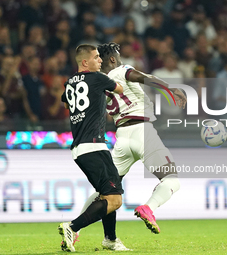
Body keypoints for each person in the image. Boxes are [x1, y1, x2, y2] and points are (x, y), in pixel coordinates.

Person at [79, 42, 186, 250]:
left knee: (106, 191)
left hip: (122, 136)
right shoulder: (121, 70)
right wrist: (170, 87)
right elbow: (145, 78)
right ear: (112, 59)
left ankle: (75, 228)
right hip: (142, 130)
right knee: (171, 179)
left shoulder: (101, 83)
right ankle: (148, 207)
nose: (121, 58)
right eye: (118, 55)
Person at [58, 44, 125, 252]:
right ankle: (72, 227)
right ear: (84, 62)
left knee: (106, 194)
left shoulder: (69, 83)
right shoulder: (97, 78)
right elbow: (120, 89)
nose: (101, 61)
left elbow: (66, 103)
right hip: (94, 145)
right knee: (115, 199)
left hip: (79, 148)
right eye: (96, 58)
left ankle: (110, 239)